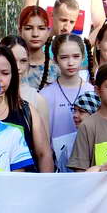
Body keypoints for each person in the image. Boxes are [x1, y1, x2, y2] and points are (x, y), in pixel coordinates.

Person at [0, 46, 54, 172]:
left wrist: (45, 183)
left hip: (22, 183)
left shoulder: (27, 110)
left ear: (13, 75)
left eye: (5, 73)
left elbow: (44, 154)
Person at [39, 34, 94, 171]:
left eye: (76, 56)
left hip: (88, 167)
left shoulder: (92, 92)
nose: (70, 62)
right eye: (64, 57)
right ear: (55, 59)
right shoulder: (45, 95)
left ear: (83, 57)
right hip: (55, 168)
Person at [18, 5, 52, 89]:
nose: (35, 34)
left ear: (48, 31)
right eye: (28, 28)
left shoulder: (56, 68)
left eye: (41, 28)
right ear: (20, 31)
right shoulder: (10, 66)